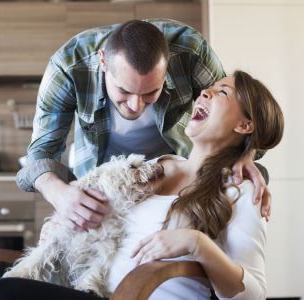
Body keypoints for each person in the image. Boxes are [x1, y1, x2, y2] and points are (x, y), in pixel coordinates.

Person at [0, 71, 284, 299]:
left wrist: (198, 244)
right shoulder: (155, 167)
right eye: (209, 88)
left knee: (0, 294)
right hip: (99, 291)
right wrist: (65, 226)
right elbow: (103, 222)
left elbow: (252, 293)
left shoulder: (240, 192)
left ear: (245, 124)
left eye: (222, 92)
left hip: (140, 296)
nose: (205, 92)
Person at [16, 19, 271, 235]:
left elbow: (237, 111)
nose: (136, 106)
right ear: (103, 61)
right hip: (106, 186)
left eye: (151, 92)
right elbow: (40, 155)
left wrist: (244, 153)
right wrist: (60, 195)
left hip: (178, 181)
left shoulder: (190, 50)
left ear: (168, 64)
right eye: (124, 91)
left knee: (248, 178)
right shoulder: (68, 66)